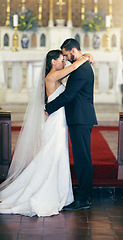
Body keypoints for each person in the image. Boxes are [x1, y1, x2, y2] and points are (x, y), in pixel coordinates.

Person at [0, 49, 89, 217]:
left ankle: (58, 191)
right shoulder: (51, 77)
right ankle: (47, 193)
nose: (64, 62)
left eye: (64, 59)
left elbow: (72, 68)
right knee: (52, 155)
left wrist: (86, 57)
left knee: (56, 156)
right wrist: (87, 57)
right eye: (61, 60)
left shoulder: (56, 75)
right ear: (53, 62)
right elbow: (75, 66)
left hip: (59, 121)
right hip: (55, 123)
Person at [45, 38, 98, 211]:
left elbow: (69, 96)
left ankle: (84, 198)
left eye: (66, 55)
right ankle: (84, 196)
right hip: (80, 117)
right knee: (82, 157)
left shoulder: (81, 69)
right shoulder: (82, 65)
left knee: (83, 159)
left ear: (73, 51)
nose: (66, 59)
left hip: (80, 118)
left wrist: (49, 108)